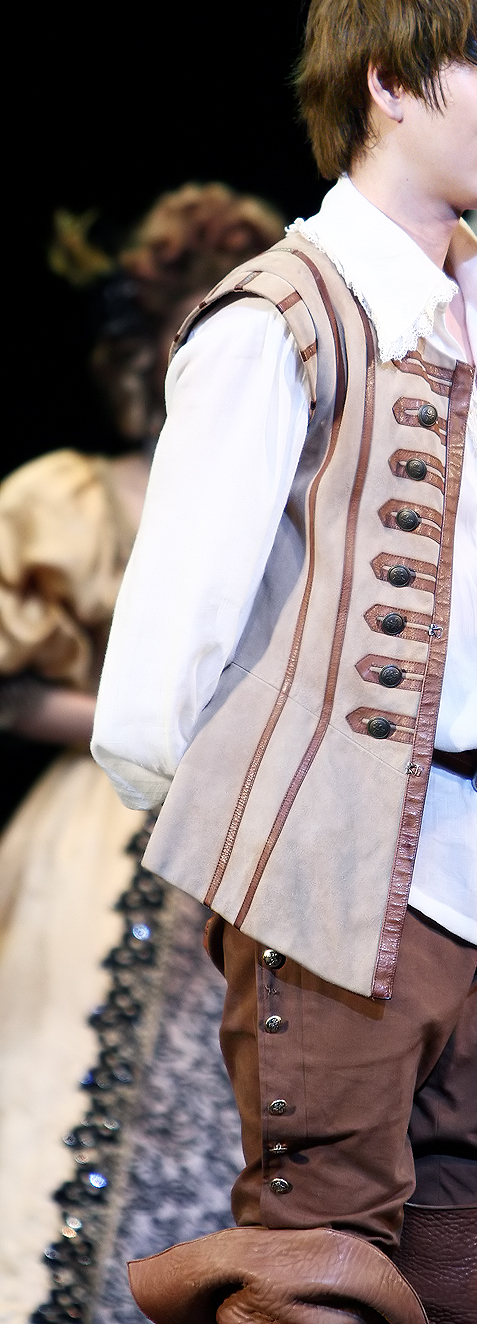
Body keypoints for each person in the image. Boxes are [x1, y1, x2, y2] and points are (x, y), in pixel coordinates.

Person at [91, 0, 477, 1324]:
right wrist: (254, 863)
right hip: (343, 868)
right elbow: (173, 625)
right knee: (320, 1269)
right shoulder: (282, 317)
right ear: (389, 82)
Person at [0, 183, 284, 1324]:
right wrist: (157, 729)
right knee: (66, 1096)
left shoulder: (291, 511)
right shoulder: (81, 498)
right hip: (105, 835)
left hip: (250, 843)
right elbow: (14, 689)